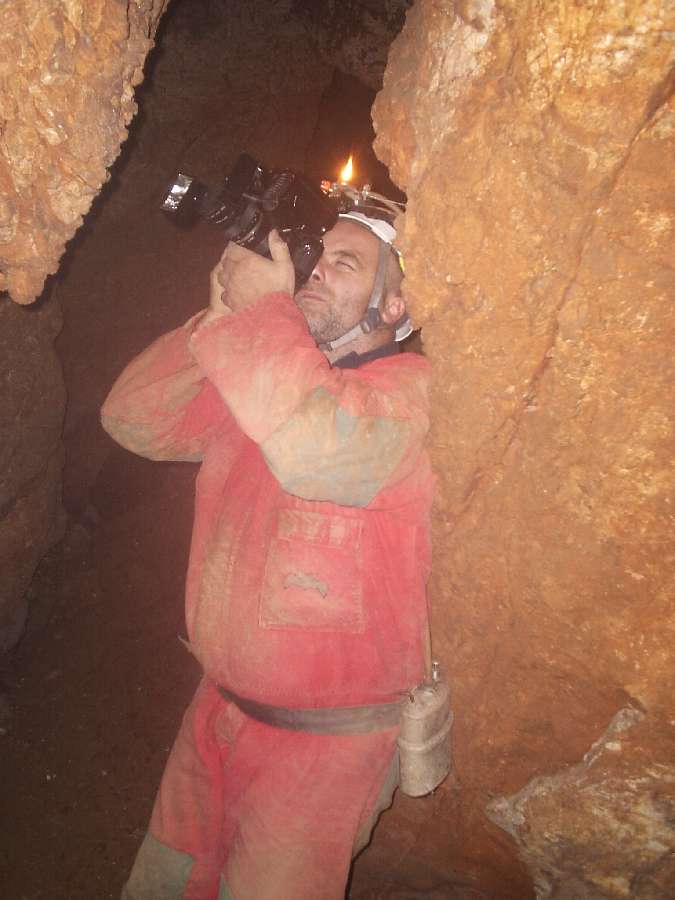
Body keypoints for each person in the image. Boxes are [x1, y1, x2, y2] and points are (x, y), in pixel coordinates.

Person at [101, 209, 435, 900]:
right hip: (214, 716)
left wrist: (258, 319)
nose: (315, 270)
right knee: (164, 885)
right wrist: (218, 319)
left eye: (345, 263)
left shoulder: (411, 393)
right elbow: (133, 419)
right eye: (317, 254)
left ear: (393, 306)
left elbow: (317, 449)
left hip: (325, 753)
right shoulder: (262, 375)